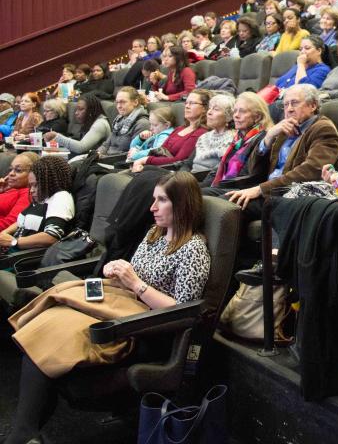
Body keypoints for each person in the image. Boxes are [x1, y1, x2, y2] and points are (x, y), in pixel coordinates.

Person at [3, 171, 211, 444]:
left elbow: (183, 310)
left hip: (144, 327)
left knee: (52, 335)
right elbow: (133, 275)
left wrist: (135, 284)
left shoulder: (194, 249)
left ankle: (23, 435)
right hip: (121, 304)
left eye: (161, 200)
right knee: (48, 323)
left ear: (182, 204)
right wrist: (117, 271)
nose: (152, 207)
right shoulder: (154, 234)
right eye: (153, 199)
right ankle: (26, 434)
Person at [219, 85, 338, 216]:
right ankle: (195, 237)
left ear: (313, 106)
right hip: (266, 189)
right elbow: (252, 167)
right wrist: (269, 136)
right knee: (204, 196)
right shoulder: (285, 127)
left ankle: (196, 237)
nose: (289, 109)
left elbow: (311, 171)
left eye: (294, 103)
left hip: (286, 196)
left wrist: (260, 189)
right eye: (286, 104)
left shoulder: (322, 129)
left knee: (222, 206)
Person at [0, 155, 74, 254]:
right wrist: (4, 233)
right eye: (30, 185)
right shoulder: (42, 198)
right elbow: (22, 221)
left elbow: (51, 237)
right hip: (11, 252)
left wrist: (14, 242)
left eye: (36, 185)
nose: (31, 190)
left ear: (50, 181)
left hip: (23, 259)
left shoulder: (61, 197)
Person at [131, 90, 210, 170]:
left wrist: (145, 160)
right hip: (157, 166)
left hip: (171, 172)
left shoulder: (201, 132)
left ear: (204, 108)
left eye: (192, 103)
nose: (187, 106)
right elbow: (160, 151)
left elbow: (178, 160)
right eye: (186, 102)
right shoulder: (180, 128)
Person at [44, 94, 112, 155]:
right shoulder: (90, 121)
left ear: (91, 110)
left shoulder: (100, 124)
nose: (76, 113)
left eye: (81, 109)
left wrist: (56, 136)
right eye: (76, 109)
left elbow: (81, 148)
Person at [189, 92, 236, 174]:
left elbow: (219, 172)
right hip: (190, 179)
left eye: (216, 109)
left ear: (228, 116)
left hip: (206, 183)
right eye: (210, 108)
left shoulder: (233, 139)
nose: (209, 112)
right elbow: (188, 164)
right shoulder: (204, 137)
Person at [98, 87, 150, 156]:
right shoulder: (119, 120)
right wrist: (96, 154)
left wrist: (103, 158)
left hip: (119, 161)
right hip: (107, 157)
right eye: (117, 102)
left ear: (135, 102)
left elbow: (133, 152)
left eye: (123, 102)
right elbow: (106, 145)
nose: (119, 106)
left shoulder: (143, 123)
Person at [0, 153, 38, 230]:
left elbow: (11, 223)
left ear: (32, 174)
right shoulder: (9, 188)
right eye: (11, 169)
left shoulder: (28, 193)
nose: (11, 173)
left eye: (18, 170)